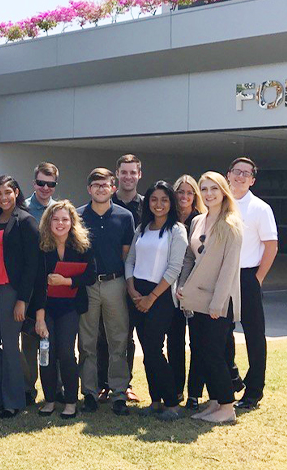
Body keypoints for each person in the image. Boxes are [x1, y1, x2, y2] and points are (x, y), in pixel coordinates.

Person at [178, 171, 243, 424]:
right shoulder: (197, 221)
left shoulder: (232, 224)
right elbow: (188, 258)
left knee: (215, 354)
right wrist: (182, 285)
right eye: (203, 189)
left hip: (218, 301)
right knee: (202, 352)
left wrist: (218, 303)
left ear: (223, 190)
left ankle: (227, 408)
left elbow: (229, 268)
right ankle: (215, 402)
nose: (208, 194)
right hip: (195, 298)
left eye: (213, 188)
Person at [124, 181, 189, 421]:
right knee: (148, 349)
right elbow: (130, 260)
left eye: (164, 199)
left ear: (171, 203)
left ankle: (172, 403)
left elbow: (174, 268)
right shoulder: (142, 228)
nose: (158, 204)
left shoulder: (177, 230)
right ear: (147, 202)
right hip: (137, 292)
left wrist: (151, 297)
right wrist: (132, 290)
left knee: (153, 350)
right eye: (154, 200)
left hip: (160, 295)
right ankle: (155, 400)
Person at [77, 168, 134, 416]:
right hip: (87, 284)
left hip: (115, 282)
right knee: (87, 342)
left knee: (118, 340)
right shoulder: (77, 216)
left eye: (106, 185)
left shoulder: (124, 216)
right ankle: (89, 392)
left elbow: (126, 253)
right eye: (96, 185)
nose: (101, 189)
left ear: (113, 188)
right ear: (89, 189)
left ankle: (119, 393)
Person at [0, 175, 38, 418]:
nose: (3, 198)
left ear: (16, 192)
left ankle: (14, 401)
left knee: (11, 346)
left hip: (11, 290)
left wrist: (23, 300)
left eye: (7, 192)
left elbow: (32, 265)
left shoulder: (26, 221)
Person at [31, 200, 96, 419]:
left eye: (65, 219)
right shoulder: (41, 246)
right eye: (55, 219)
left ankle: (70, 401)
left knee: (67, 353)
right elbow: (37, 283)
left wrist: (66, 281)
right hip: (46, 309)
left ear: (72, 221)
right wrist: (39, 317)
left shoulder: (82, 245)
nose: (60, 223)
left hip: (70, 308)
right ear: (48, 221)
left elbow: (89, 275)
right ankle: (49, 400)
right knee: (46, 354)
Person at [226, 157, 278, 409]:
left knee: (254, 335)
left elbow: (271, 246)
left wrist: (257, 278)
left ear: (253, 180)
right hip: (222, 277)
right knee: (221, 332)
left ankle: (254, 392)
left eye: (247, 173)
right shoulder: (219, 204)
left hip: (248, 276)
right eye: (237, 171)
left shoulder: (260, 208)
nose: (241, 176)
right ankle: (233, 380)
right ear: (228, 174)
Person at [102, 154, 143, 403]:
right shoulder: (104, 202)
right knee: (100, 335)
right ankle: (101, 384)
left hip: (137, 281)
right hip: (108, 279)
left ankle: (124, 384)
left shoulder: (147, 206)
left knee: (127, 335)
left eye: (133, 172)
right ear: (117, 175)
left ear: (139, 174)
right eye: (124, 172)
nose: (128, 176)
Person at [22, 161, 60, 403]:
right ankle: (27, 389)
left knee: (53, 338)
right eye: (41, 183)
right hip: (29, 283)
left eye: (50, 184)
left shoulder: (62, 210)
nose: (45, 188)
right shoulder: (23, 208)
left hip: (55, 282)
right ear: (34, 182)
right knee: (28, 341)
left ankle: (54, 388)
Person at [173, 175, 206, 409]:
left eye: (189, 192)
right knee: (174, 342)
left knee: (197, 343)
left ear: (195, 196)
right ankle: (176, 391)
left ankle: (194, 393)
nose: (184, 196)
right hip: (170, 288)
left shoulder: (202, 221)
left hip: (197, 289)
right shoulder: (166, 219)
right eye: (180, 192)